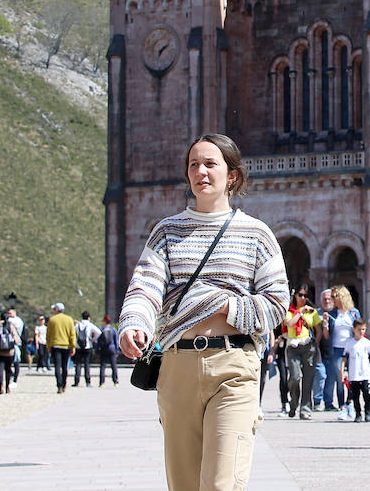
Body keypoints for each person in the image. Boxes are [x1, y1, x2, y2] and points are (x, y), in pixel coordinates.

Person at [118, 133, 289, 491]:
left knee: (220, 484)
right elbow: (145, 288)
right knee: (184, 485)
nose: (201, 171)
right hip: (177, 366)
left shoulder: (257, 234)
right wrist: (133, 324)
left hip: (235, 366)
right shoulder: (166, 232)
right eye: (194, 164)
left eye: (211, 163)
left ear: (232, 176)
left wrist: (218, 302)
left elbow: (276, 305)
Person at [283, 285, 321, 419]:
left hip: (308, 346)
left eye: (305, 296)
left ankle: (305, 409)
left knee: (308, 379)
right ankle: (293, 403)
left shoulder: (312, 312)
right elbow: (290, 324)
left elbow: (318, 330)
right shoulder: (290, 311)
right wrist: (300, 312)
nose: (303, 298)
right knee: (294, 378)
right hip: (293, 346)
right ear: (295, 295)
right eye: (300, 295)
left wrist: (316, 344)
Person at [325, 285, 359, 419]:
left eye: (335, 296)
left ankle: (350, 403)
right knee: (340, 378)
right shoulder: (332, 314)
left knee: (352, 378)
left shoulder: (353, 313)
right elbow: (327, 336)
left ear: (343, 297)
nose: (332, 299)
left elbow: (360, 329)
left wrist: (354, 327)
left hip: (351, 348)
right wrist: (325, 325)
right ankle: (342, 407)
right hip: (337, 349)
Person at [344, 318, 370, 422]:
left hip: (365, 373)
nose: (361, 332)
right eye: (359, 329)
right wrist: (342, 371)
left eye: (363, 329)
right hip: (354, 373)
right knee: (355, 396)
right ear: (354, 329)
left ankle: (367, 412)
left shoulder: (367, 343)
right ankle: (358, 413)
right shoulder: (349, 343)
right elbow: (345, 358)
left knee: (366, 394)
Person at [45, 303, 75, 394]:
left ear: (57, 310)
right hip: (66, 346)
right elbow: (72, 334)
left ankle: (59, 385)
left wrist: (48, 346)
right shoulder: (69, 319)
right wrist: (73, 346)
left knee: (57, 366)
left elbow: (48, 334)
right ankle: (64, 383)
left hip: (55, 345)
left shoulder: (52, 320)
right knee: (64, 366)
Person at [0, 311, 19, 394]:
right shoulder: (10, 326)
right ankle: (7, 387)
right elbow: (16, 338)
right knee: (8, 369)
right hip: (9, 352)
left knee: (0, 369)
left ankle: (1, 386)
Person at [314, 288, 333, 409]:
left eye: (329, 298)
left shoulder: (337, 314)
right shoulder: (316, 314)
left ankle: (328, 403)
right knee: (320, 375)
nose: (326, 301)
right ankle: (316, 401)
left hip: (332, 350)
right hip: (318, 351)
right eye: (324, 299)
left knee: (331, 378)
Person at [73, 311, 101, 386]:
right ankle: (88, 382)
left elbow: (72, 332)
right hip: (87, 346)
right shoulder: (90, 325)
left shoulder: (77, 325)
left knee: (78, 364)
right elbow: (99, 332)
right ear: (88, 318)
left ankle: (76, 381)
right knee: (87, 365)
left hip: (78, 346)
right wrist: (93, 339)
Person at [97, 314, 120, 385]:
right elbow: (116, 341)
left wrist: (97, 350)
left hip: (103, 349)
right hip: (112, 349)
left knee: (103, 366)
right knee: (113, 366)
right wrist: (117, 350)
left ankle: (101, 382)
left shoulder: (101, 330)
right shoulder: (113, 330)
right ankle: (115, 381)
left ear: (104, 321)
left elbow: (98, 341)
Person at [6, 307, 24, 384]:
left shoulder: (17, 321)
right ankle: (10, 375)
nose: (9, 315)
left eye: (10, 313)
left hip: (16, 343)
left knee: (16, 361)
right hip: (8, 343)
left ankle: (15, 379)